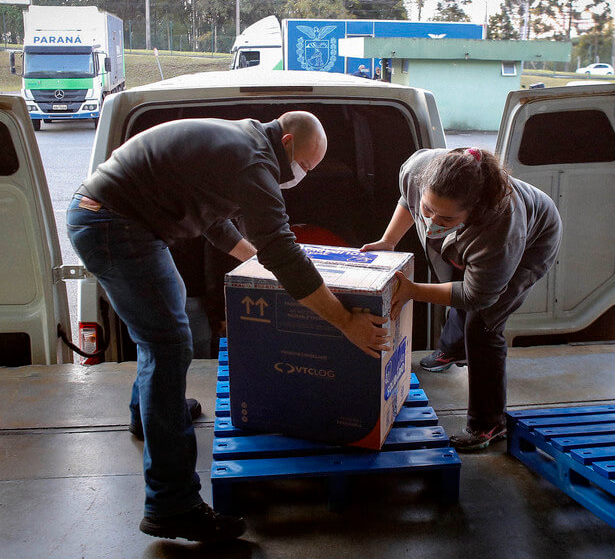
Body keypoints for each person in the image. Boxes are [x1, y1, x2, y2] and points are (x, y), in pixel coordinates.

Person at [66, 111, 390, 542]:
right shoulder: (253, 160)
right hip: (113, 224)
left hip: (110, 218)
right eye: (306, 167)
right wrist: (345, 320)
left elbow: (215, 220)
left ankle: (150, 418)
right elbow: (282, 248)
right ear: (288, 141)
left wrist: (256, 263)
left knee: (161, 327)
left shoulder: (242, 145)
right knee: (169, 344)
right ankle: (171, 504)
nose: (302, 178)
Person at [362, 147, 562, 452]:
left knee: (483, 325)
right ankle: (452, 350)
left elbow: (475, 295)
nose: (430, 221)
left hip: (532, 242)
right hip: (475, 241)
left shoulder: (501, 227)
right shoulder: (419, 169)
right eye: (428, 209)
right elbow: (408, 199)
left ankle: (489, 423)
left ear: (475, 209)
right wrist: (388, 241)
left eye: (445, 217)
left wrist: (413, 291)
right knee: (451, 287)